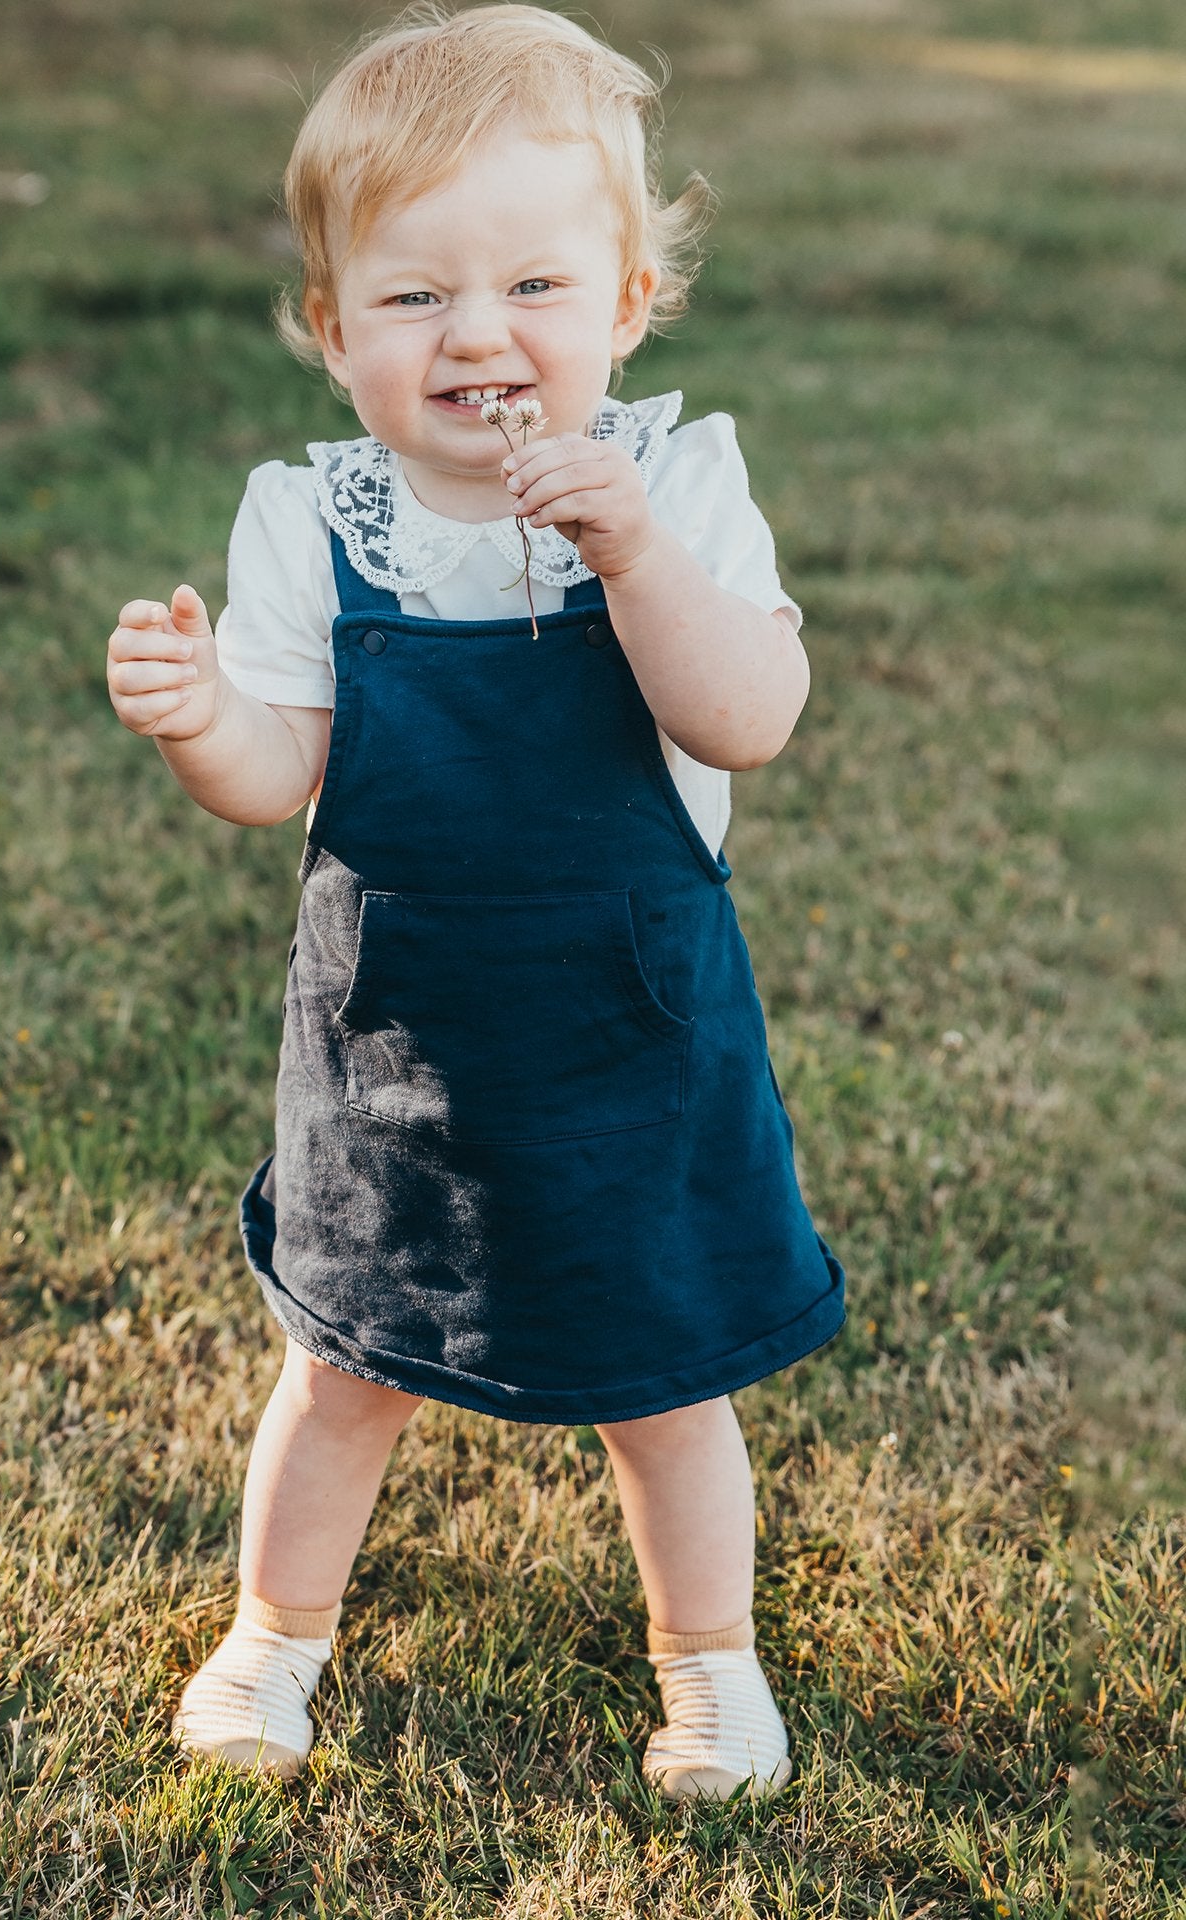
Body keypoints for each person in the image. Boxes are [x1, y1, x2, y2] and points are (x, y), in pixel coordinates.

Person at [104, 2, 845, 1801]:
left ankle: (710, 1668)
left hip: (630, 1028)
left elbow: (744, 715)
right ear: (333, 328)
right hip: (397, 1033)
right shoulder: (312, 519)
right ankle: (271, 1643)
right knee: (347, 1361)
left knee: (666, 1378)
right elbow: (284, 772)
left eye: (533, 285)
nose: (478, 335)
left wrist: (633, 554)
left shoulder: (681, 488)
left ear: (627, 307)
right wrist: (206, 722)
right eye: (415, 296)